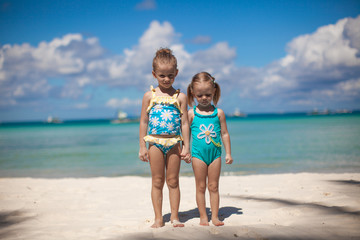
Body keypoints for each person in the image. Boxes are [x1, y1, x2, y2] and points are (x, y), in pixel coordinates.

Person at [139, 48, 191, 228]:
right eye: (162, 75)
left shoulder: (180, 97)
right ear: (154, 74)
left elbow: (185, 123)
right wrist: (142, 146)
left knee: (173, 181)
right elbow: (143, 122)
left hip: (175, 143)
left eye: (170, 75)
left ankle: (175, 217)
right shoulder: (149, 96)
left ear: (176, 73)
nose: (166, 79)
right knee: (157, 181)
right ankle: (158, 218)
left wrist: (186, 146)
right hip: (154, 142)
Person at [187, 72, 233, 226]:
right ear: (193, 94)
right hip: (198, 155)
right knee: (200, 186)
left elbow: (225, 134)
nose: (204, 98)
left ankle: (215, 217)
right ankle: (203, 217)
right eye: (200, 95)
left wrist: (228, 153)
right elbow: (185, 134)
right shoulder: (191, 114)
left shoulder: (218, 113)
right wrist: (185, 150)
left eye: (207, 94)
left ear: (214, 91)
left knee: (213, 186)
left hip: (215, 155)